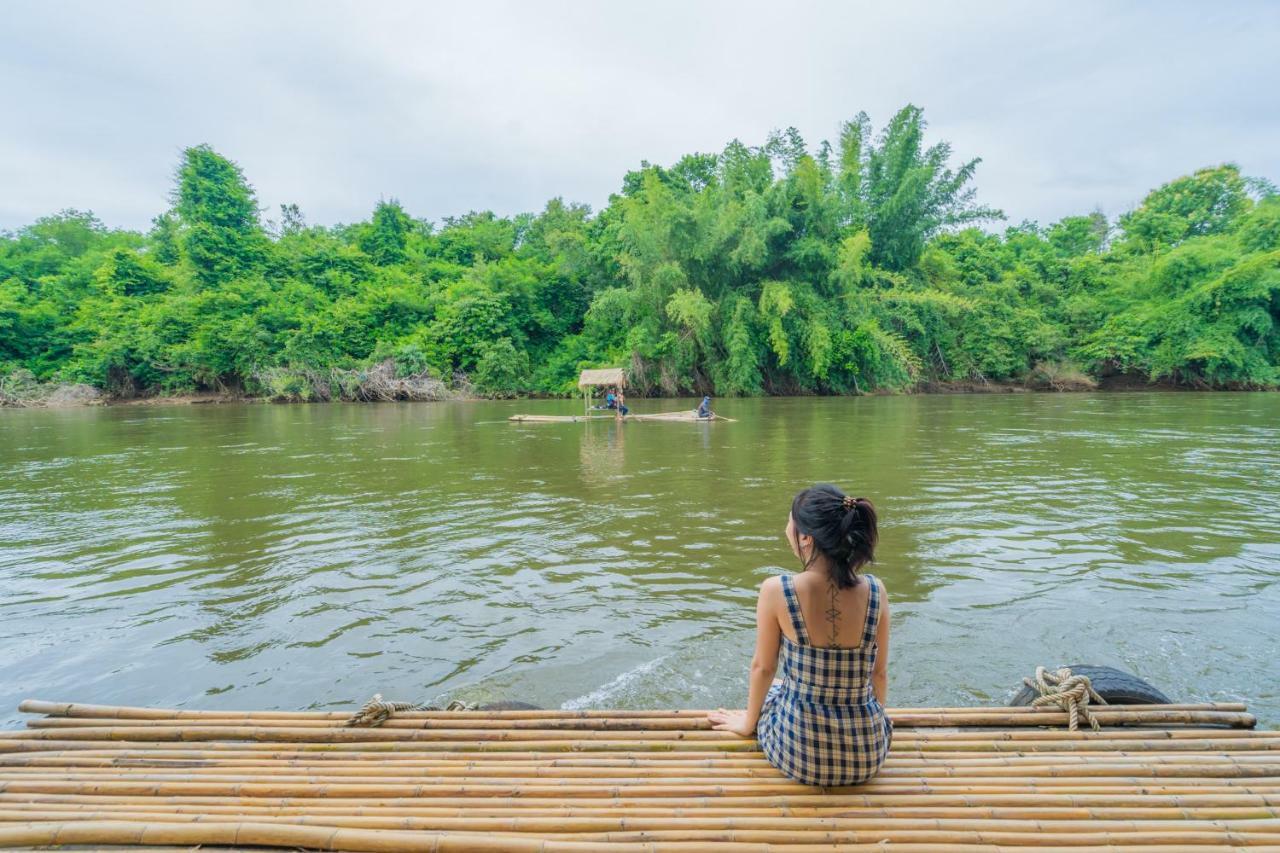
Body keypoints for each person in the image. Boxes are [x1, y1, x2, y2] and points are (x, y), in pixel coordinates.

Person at [707, 484, 891, 787]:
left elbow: (763, 669)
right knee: (786, 686)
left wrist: (746, 725)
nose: (786, 528)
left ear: (806, 537)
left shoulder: (777, 590)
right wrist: (876, 724)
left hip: (799, 752)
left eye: (790, 522)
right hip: (867, 756)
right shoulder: (876, 591)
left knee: (778, 688)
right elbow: (879, 674)